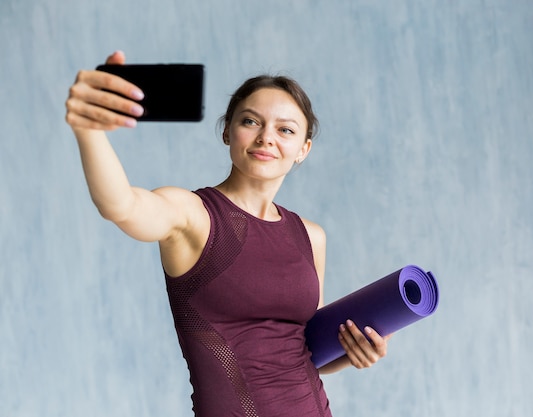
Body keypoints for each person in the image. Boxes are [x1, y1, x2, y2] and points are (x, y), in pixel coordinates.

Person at [65, 51, 390, 417]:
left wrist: (353, 351)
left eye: (285, 129)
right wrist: (88, 131)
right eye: (251, 121)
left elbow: (305, 349)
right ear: (227, 131)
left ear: (303, 150)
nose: (267, 138)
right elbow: (121, 206)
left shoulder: (311, 236)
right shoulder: (192, 214)